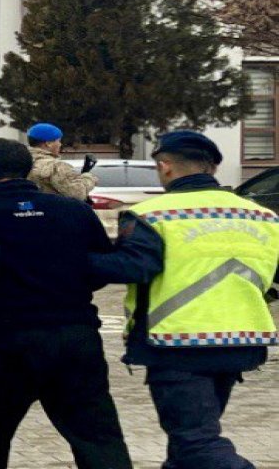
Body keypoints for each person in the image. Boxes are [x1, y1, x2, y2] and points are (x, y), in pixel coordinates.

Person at [90, 131, 278, 469]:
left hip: (177, 344)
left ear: (165, 166)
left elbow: (135, 267)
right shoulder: (261, 215)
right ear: (212, 168)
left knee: (197, 443)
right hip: (242, 342)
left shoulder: (153, 213)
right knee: (186, 446)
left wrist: (71, 260)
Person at [0, 139, 131, 469]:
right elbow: (101, 266)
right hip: (75, 337)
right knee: (98, 439)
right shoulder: (74, 211)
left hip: (3, 341)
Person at [26, 122, 97, 201]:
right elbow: (77, 194)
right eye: (58, 141)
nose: (60, 144)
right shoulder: (56, 166)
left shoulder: (20, 161)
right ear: (48, 143)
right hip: (53, 210)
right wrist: (88, 177)